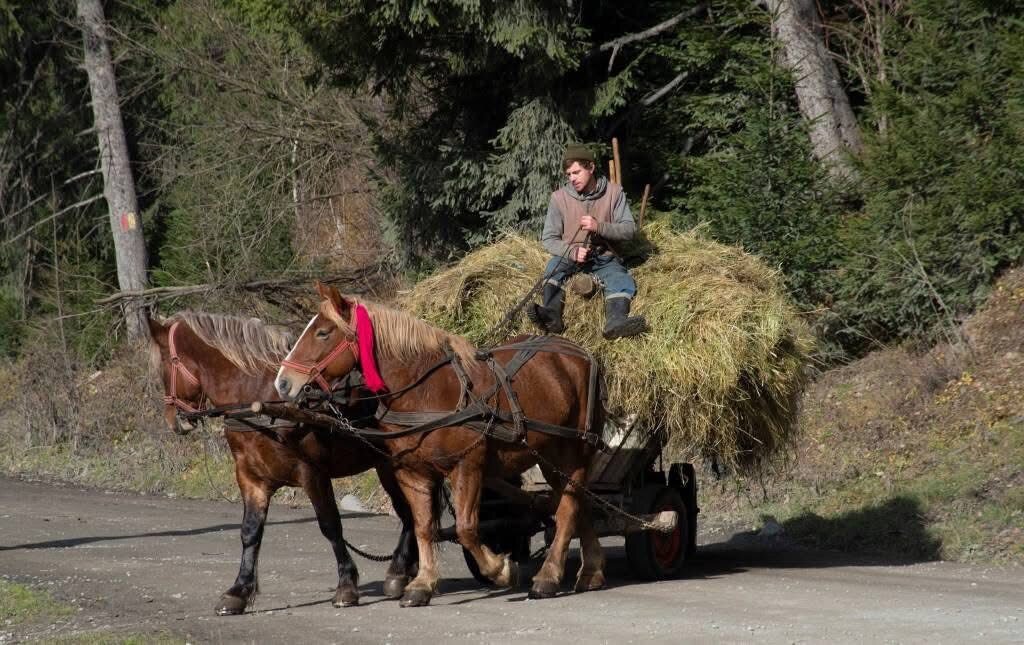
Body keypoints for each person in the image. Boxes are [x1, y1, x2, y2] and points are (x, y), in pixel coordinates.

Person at [527, 143, 647, 339]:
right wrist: (572, 252)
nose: (572, 178)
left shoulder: (614, 193)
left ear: (590, 168)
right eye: (568, 175)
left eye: (576, 172)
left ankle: (616, 322)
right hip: (569, 258)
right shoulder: (559, 198)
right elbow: (548, 239)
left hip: (605, 258)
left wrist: (600, 227)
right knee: (553, 268)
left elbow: (629, 230)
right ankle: (551, 315)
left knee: (620, 279)